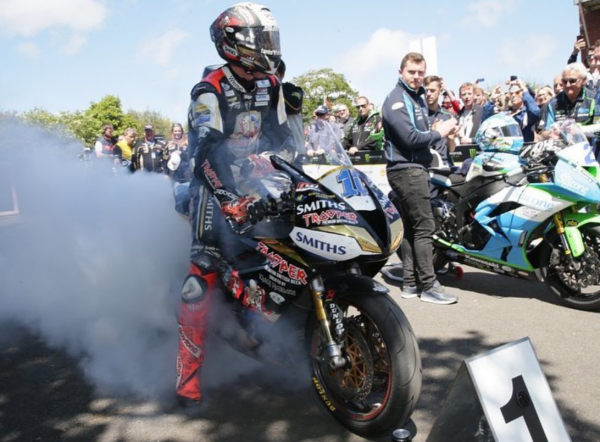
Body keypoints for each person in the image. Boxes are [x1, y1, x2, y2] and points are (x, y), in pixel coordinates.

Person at [176, 2, 292, 408]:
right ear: (233, 43)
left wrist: (291, 169)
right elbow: (205, 151)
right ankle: (187, 380)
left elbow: (283, 139)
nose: (269, 47)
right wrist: (228, 198)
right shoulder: (208, 89)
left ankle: (280, 333)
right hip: (211, 183)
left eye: (270, 39)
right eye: (262, 40)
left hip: (256, 180)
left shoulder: (272, 84)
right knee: (201, 275)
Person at [382, 51, 458, 305]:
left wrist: (441, 131)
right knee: (425, 227)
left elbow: (420, 134)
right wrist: (439, 132)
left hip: (412, 169)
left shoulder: (417, 98)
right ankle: (428, 285)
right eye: (411, 72)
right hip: (407, 170)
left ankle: (410, 283)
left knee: (412, 228)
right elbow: (410, 138)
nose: (416, 77)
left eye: (420, 73)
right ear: (400, 72)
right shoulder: (398, 99)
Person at [538, 62, 600, 139]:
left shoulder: (594, 99)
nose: (568, 85)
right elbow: (542, 131)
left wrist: (580, 131)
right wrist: (551, 134)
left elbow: (598, 132)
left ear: (583, 81)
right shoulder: (552, 103)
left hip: (588, 148)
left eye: (572, 81)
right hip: (561, 148)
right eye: (564, 81)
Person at [424, 75, 457, 167]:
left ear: (440, 91)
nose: (428, 93)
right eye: (426, 90)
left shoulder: (448, 115)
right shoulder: (418, 115)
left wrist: (451, 138)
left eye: (432, 90)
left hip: (445, 163)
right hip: (426, 164)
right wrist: (434, 133)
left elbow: (452, 149)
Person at [275, 60, 305, 154]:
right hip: (271, 151)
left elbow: (294, 107)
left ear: (281, 75)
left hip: (295, 151)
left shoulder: (293, 89)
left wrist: (274, 84)